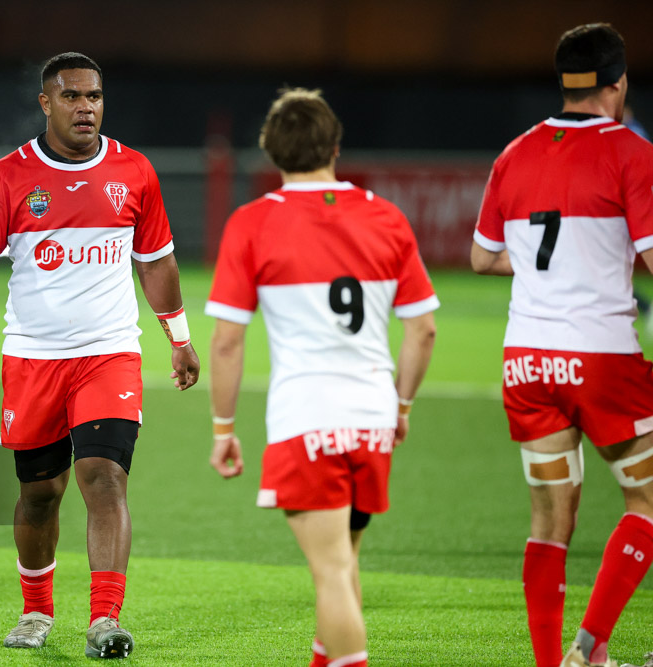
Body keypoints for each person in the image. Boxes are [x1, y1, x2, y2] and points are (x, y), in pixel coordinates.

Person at [0, 52, 199, 659]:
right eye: (72, 96)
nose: (86, 107)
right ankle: (36, 611)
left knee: (103, 478)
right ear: (46, 103)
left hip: (109, 353)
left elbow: (156, 261)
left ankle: (105, 620)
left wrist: (178, 337)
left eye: (95, 96)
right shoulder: (8, 176)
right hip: (32, 358)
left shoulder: (133, 171)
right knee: (40, 493)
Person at [206, 88, 438, 667]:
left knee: (331, 572)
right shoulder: (386, 216)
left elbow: (228, 340)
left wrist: (222, 427)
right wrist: (402, 408)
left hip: (306, 417)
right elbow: (423, 330)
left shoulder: (253, 223)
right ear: (336, 146)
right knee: (343, 564)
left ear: (271, 153)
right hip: (373, 417)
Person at [471, 23, 653, 667]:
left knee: (550, 523)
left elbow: (483, 256)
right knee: (648, 501)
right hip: (602, 359)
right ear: (619, 82)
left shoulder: (514, 154)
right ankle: (590, 647)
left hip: (528, 361)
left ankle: (553, 664)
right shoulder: (631, 153)